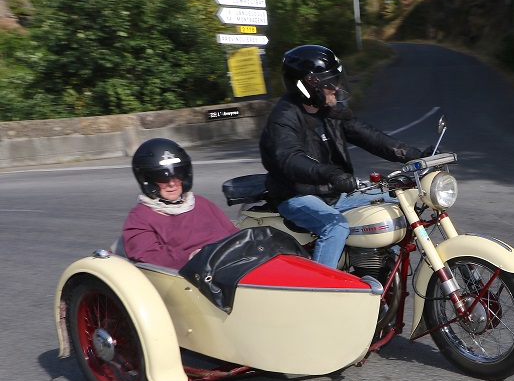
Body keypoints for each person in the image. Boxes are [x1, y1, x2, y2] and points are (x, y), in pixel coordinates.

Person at [260, 44, 432, 269]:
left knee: (397, 205)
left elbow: (370, 137)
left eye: (336, 79)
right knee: (335, 226)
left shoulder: (330, 112)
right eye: (329, 82)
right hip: (297, 194)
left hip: (334, 192)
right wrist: (330, 174)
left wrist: (416, 156)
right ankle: (320, 287)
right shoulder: (283, 118)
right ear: (307, 86)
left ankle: (380, 269)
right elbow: (289, 159)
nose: (337, 86)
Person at [122, 138, 238, 270]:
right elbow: (148, 256)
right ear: (148, 180)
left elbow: (233, 233)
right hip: (195, 273)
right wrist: (190, 257)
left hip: (232, 263)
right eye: (162, 177)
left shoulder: (201, 203)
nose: (172, 183)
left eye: (178, 175)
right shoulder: (140, 217)